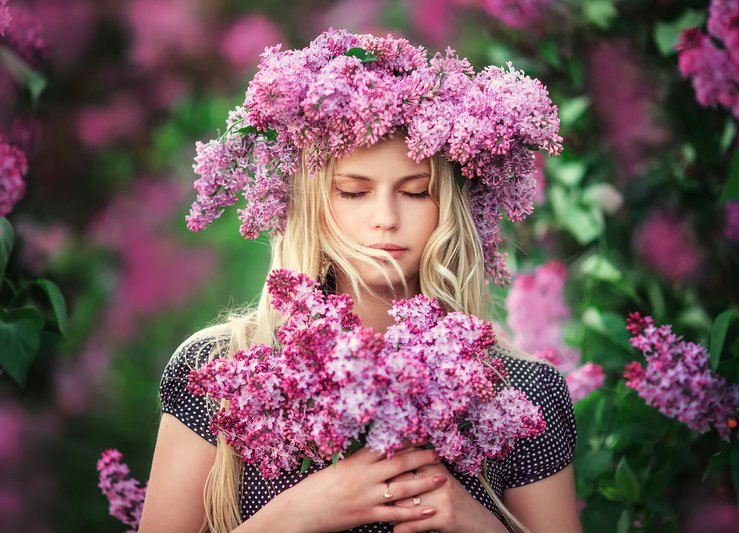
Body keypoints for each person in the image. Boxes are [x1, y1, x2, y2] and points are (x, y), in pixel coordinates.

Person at [139, 29, 581, 533]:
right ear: (310, 203)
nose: (386, 219)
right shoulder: (223, 373)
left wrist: (480, 525)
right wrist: (295, 515)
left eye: (415, 192)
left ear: (450, 207)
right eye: (353, 192)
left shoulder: (517, 393)